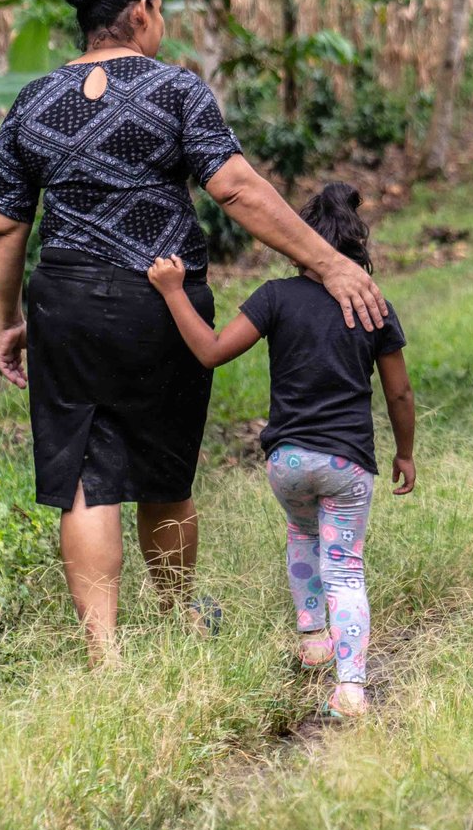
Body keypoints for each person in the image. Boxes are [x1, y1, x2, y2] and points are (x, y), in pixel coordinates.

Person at [0, 0, 389, 665]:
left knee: (87, 475)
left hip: (67, 301)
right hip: (161, 302)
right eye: (159, 11)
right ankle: (176, 618)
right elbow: (234, 187)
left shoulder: (33, 100)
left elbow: (5, 227)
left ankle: (104, 652)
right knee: (163, 468)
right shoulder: (176, 90)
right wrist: (328, 261)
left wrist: (8, 318)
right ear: (141, 12)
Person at [146, 182, 415, 719]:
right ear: (359, 251)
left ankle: (313, 637)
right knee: (343, 566)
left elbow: (210, 351)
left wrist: (174, 291)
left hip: (287, 463)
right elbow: (399, 392)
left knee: (301, 534)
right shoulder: (372, 305)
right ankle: (351, 687)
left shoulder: (274, 296)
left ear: (299, 246)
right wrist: (404, 452)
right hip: (347, 463)